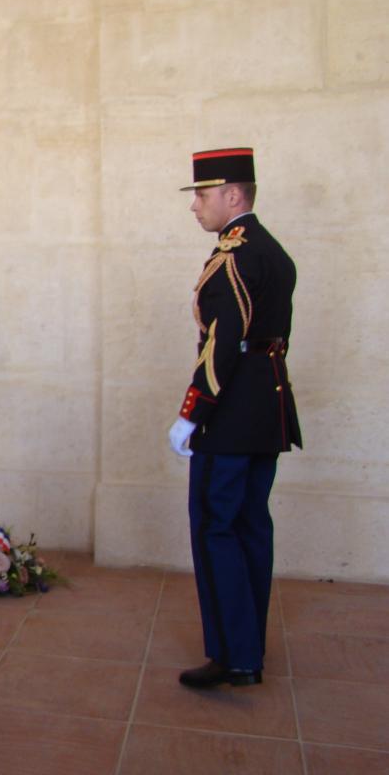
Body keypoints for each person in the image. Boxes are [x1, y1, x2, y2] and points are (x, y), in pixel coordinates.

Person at [169, 147, 302, 689]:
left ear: (232, 195)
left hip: (229, 416)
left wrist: (192, 411)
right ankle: (249, 650)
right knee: (250, 527)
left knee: (215, 527)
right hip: (267, 409)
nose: (195, 206)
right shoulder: (274, 251)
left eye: (202, 195)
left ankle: (233, 655)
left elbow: (221, 346)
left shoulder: (233, 256)